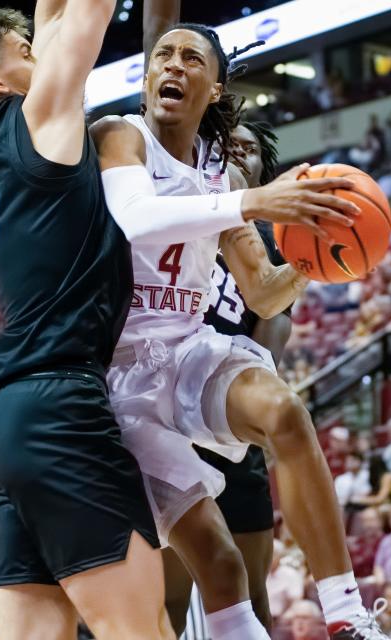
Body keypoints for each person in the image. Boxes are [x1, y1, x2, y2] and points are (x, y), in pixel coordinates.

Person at [93, 14, 391, 639]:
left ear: (217, 91)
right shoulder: (121, 135)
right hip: (117, 375)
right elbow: (135, 218)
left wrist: (314, 259)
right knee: (221, 570)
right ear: (147, 76)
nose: (172, 64)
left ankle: (345, 616)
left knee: (284, 412)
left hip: (183, 348)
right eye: (163, 55)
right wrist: (256, 202)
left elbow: (261, 289)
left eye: (190, 59)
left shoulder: (219, 174)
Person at [0, 3, 170, 637]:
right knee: (142, 631)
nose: (40, 48)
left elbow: (54, 17)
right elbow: (84, 14)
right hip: (60, 409)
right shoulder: (41, 115)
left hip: (3, 422)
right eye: (23, 49)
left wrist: (38, 32)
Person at [163, 119, 292, 634]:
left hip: (226, 418)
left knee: (249, 591)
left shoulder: (273, 241)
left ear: (264, 167)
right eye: (228, 145)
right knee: (169, 596)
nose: (239, 153)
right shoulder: (181, 213)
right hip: (168, 418)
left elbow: (270, 338)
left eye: (251, 149)